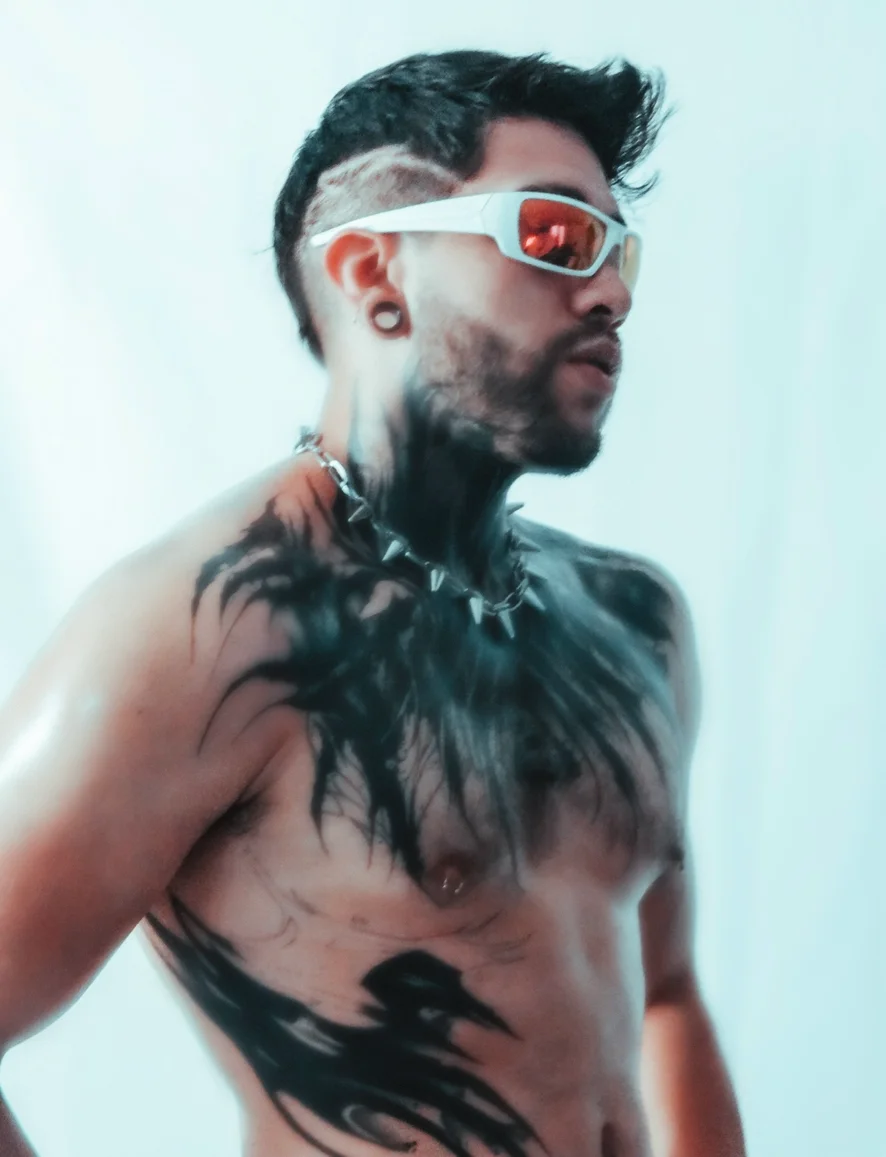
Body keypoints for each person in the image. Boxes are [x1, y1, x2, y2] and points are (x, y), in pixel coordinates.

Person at [0, 48, 746, 1157]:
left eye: (617, 247)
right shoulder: (208, 634)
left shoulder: (634, 620)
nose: (612, 292)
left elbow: (669, 993)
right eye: (555, 235)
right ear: (372, 273)